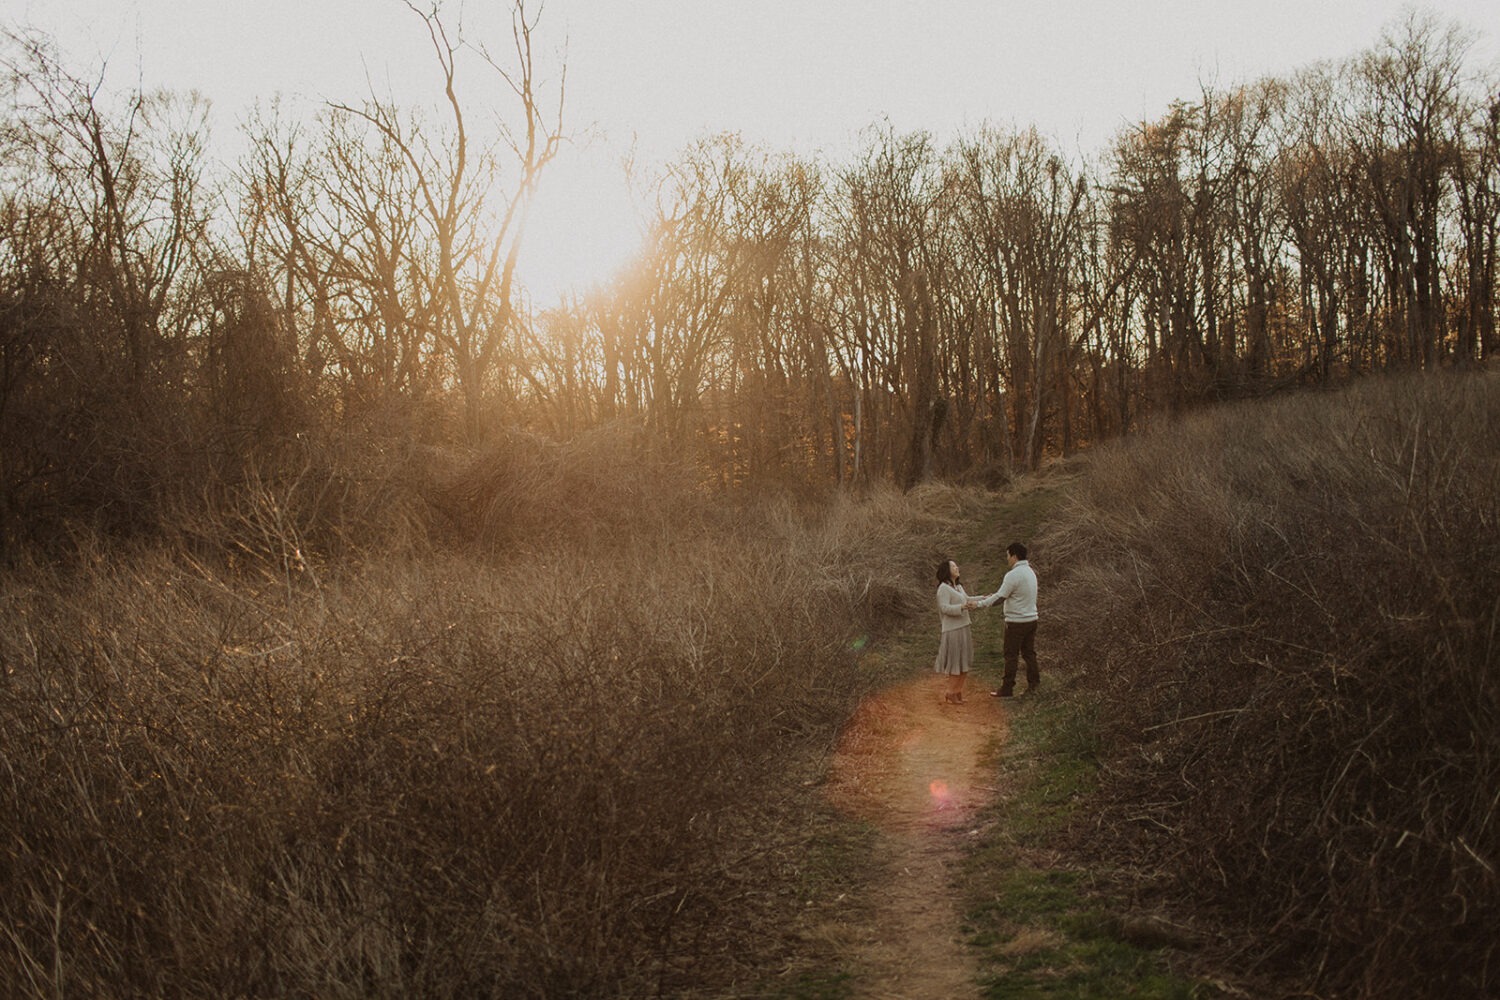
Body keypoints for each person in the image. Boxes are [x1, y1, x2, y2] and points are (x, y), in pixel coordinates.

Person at [976, 541, 1040, 698]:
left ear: (1014, 555)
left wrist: (979, 604)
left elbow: (1000, 597)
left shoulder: (1013, 574)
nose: (1007, 559)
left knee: (1011, 655)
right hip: (1032, 619)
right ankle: (1034, 685)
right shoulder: (1030, 572)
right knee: (1029, 654)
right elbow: (1009, 594)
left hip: (1017, 622)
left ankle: (1007, 688)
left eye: (1008, 555)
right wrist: (994, 597)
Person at [934, 558, 977, 704]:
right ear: (946, 570)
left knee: (964, 660)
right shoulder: (943, 589)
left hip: (964, 626)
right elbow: (944, 608)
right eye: (953, 566)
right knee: (955, 662)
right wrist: (961, 608)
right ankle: (950, 692)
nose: (957, 567)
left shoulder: (958, 587)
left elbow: (967, 599)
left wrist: (985, 598)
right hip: (952, 630)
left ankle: (957, 691)